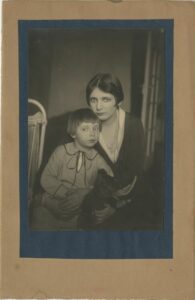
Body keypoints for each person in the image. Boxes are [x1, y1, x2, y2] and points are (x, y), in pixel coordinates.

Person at [31, 108, 113, 230]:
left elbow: (110, 181)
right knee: (39, 216)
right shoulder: (61, 151)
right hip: (53, 204)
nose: (92, 133)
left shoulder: (98, 159)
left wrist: (87, 191)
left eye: (95, 128)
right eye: (85, 129)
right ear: (73, 133)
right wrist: (66, 194)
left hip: (77, 212)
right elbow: (46, 178)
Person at [85, 73, 146, 229]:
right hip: (98, 197)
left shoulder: (133, 125)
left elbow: (134, 171)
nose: (98, 107)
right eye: (94, 100)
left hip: (130, 199)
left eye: (106, 99)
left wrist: (114, 206)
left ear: (118, 101)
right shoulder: (85, 127)